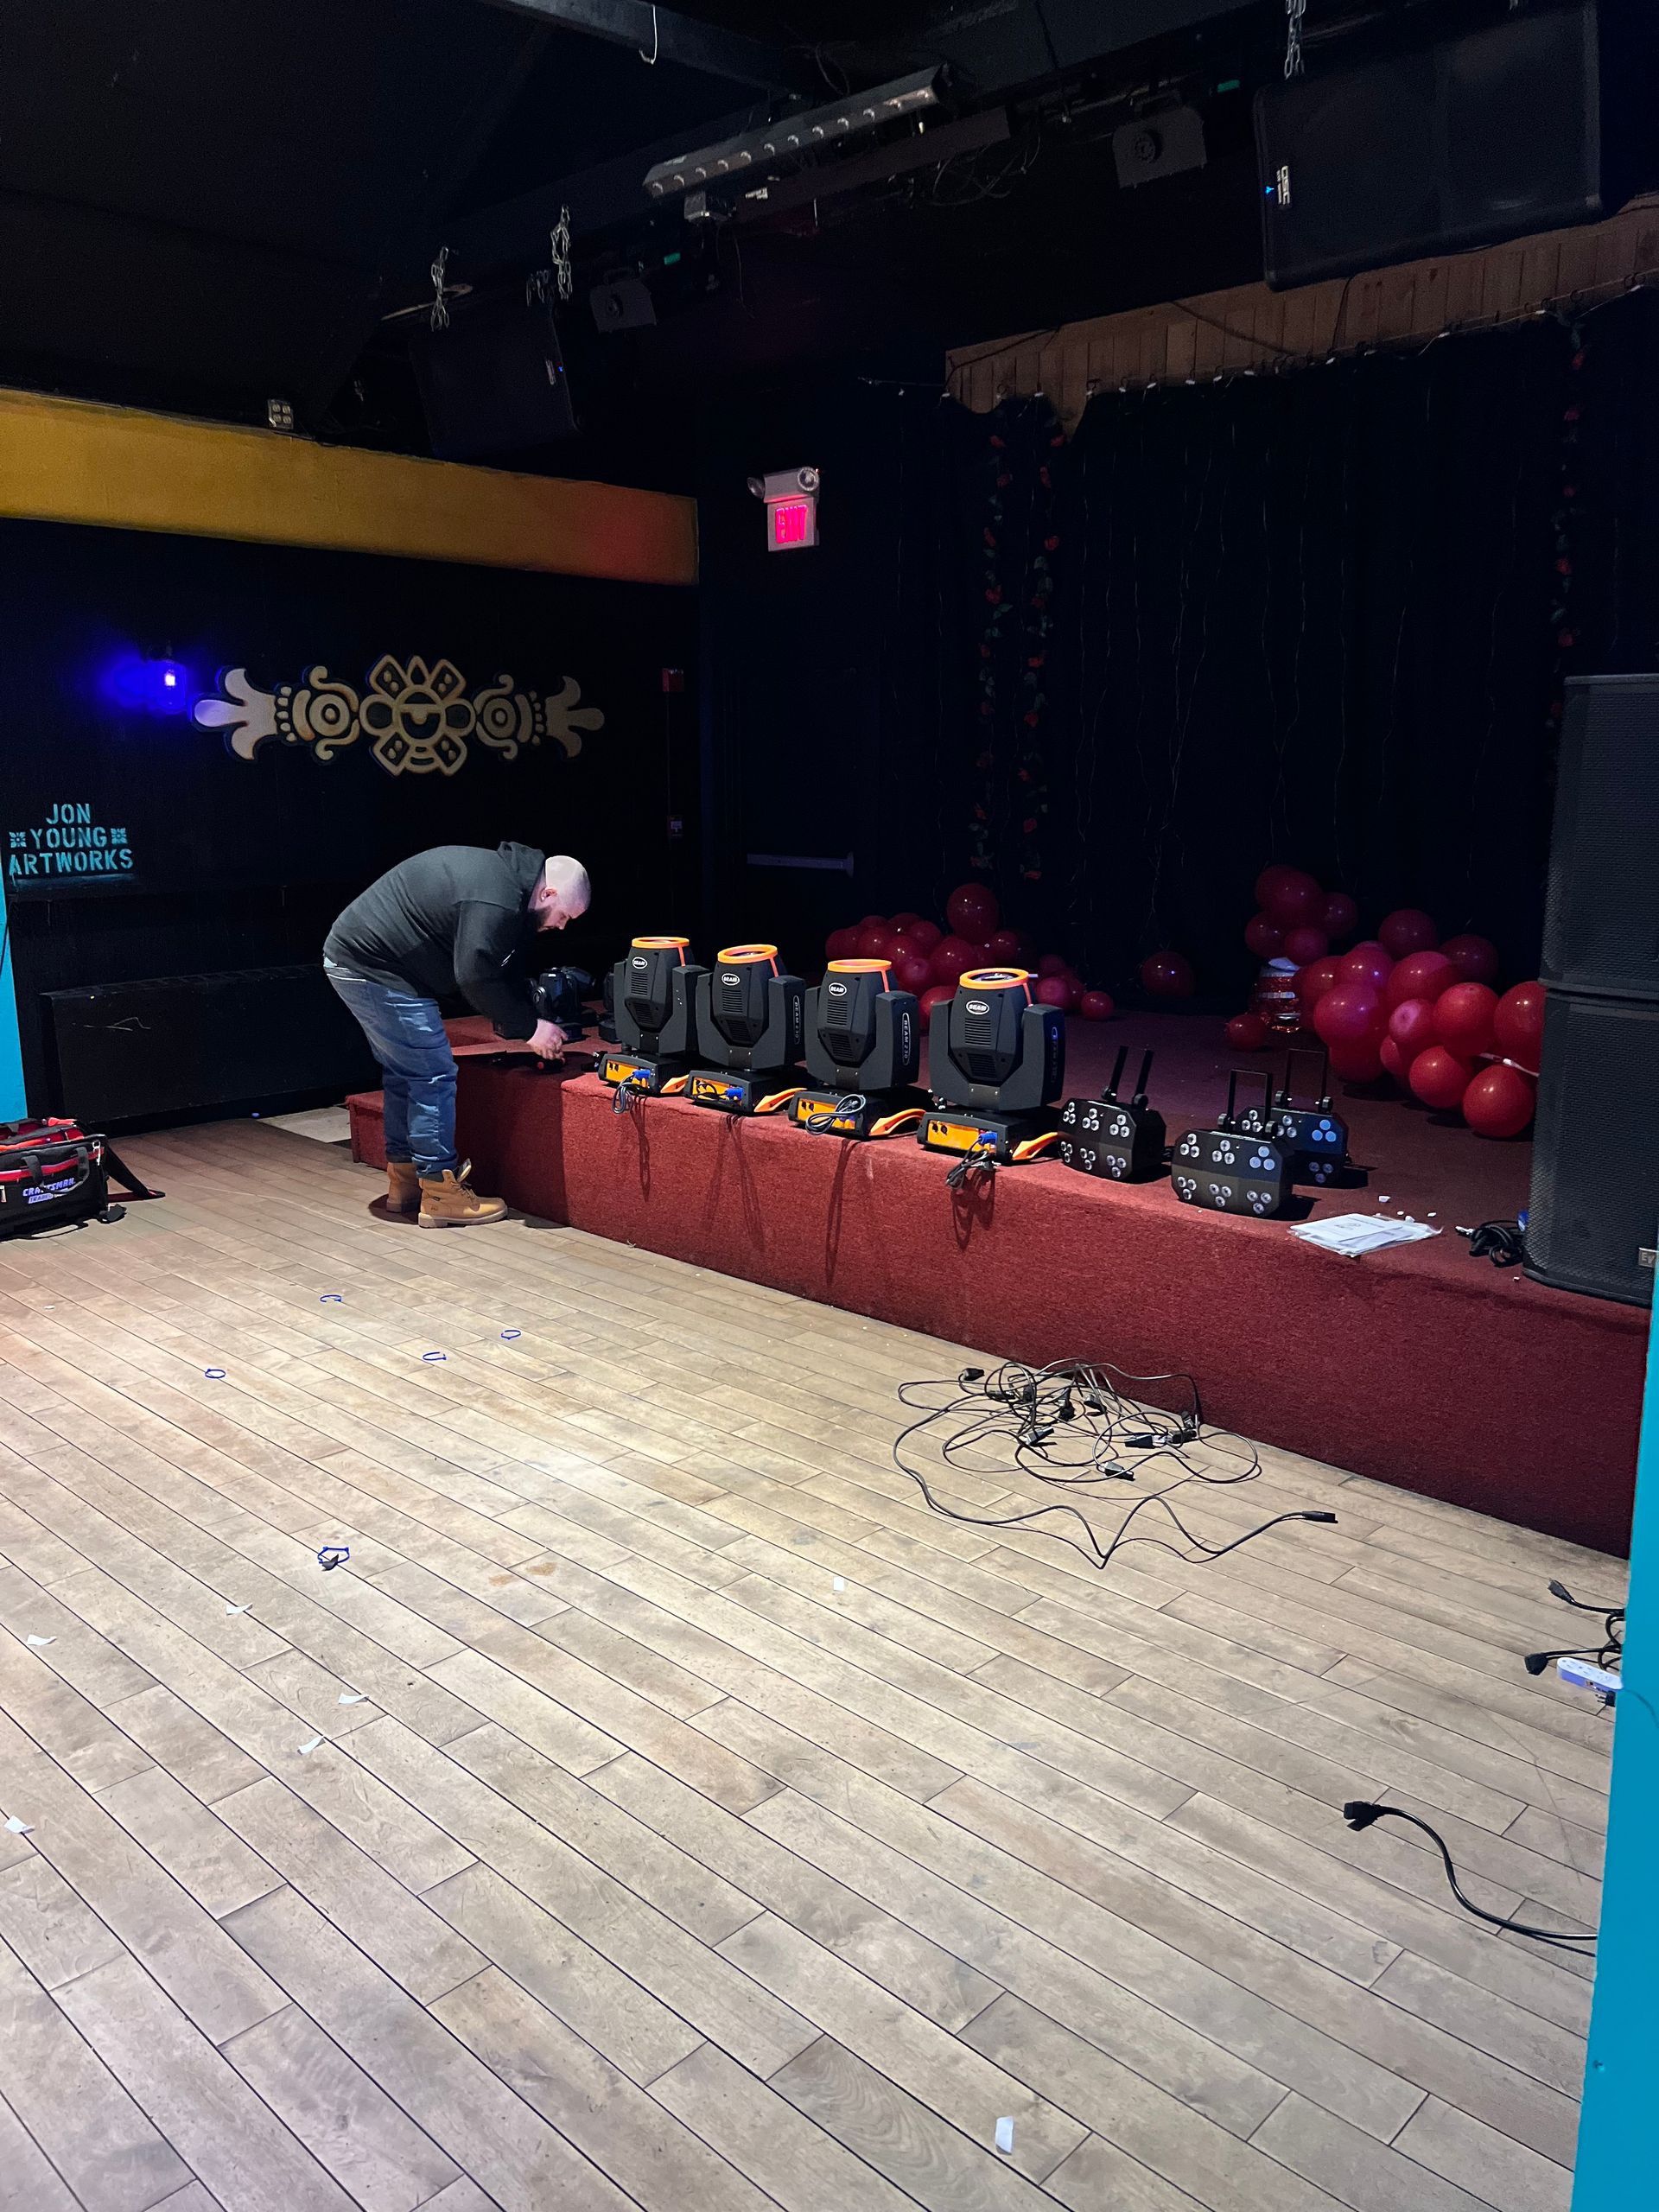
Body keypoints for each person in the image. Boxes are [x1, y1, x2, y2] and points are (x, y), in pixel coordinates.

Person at [325, 843, 589, 1227]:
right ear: (548, 893)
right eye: (564, 915)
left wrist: (528, 1018)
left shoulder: (507, 885)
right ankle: (440, 1191)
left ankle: (407, 1181)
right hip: (372, 967)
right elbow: (475, 974)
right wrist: (530, 1029)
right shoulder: (496, 897)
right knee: (432, 1074)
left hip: (362, 961)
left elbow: (499, 966)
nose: (562, 926)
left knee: (407, 1073)